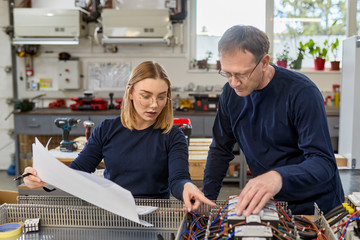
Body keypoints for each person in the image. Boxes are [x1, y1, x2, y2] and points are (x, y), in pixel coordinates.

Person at [24, 61, 215, 211]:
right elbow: (78, 172)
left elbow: (178, 179)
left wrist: (187, 187)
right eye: (145, 95)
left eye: (161, 96)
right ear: (130, 93)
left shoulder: (173, 136)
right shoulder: (107, 129)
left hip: (155, 214)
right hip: (112, 211)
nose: (154, 104)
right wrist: (45, 179)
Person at [202, 25, 344, 215]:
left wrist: (278, 177)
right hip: (273, 206)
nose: (234, 82)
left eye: (242, 74)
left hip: (317, 207)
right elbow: (220, 149)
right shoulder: (230, 94)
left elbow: (323, 162)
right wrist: (207, 201)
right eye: (227, 73)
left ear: (264, 62)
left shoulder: (302, 93)